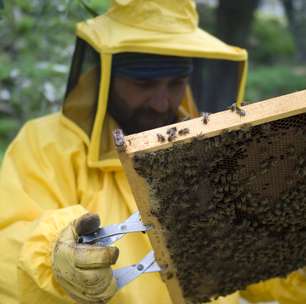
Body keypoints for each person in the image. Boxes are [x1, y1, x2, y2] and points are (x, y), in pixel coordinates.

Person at [4, 0, 302, 303]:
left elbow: (259, 261)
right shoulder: (45, 145)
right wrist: (51, 257)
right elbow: (8, 249)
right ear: (107, 75)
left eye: (175, 83)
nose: (161, 103)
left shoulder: (213, 155)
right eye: (143, 83)